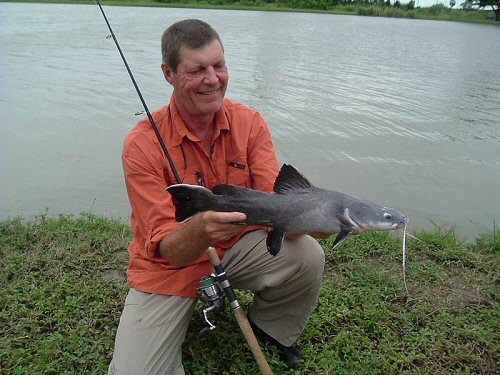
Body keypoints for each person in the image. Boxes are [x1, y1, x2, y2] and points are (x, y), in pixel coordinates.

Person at [108, 19, 325, 375]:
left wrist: (316, 220)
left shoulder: (250, 123)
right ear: (169, 73)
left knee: (308, 256)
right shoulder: (141, 146)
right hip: (170, 266)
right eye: (196, 70)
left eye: (219, 65)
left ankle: (270, 328)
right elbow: (167, 248)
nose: (213, 79)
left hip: (237, 247)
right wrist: (201, 230)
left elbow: (278, 205)